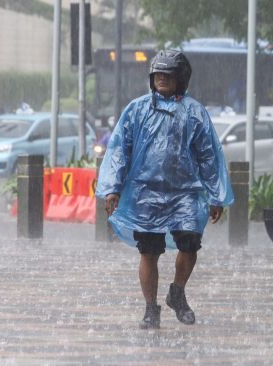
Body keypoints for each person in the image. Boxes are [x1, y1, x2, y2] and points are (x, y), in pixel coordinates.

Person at [96, 50, 234, 329]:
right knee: (149, 252)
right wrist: (112, 187)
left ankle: (177, 292)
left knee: (190, 243)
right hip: (145, 193)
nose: (161, 79)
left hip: (185, 193)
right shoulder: (136, 110)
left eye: (167, 75)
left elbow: (209, 156)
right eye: (157, 74)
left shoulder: (195, 112)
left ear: (180, 78)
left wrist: (217, 194)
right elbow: (120, 150)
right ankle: (150, 309)